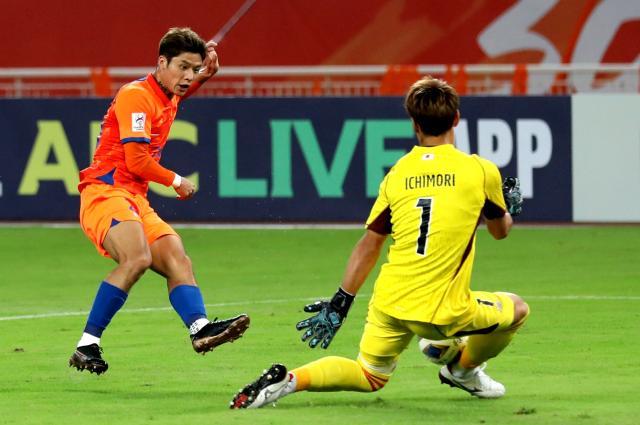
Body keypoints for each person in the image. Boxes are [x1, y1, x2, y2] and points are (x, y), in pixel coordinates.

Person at [230, 76, 528, 408]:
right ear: (456, 119)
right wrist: (509, 207)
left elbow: (370, 243)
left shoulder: (397, 174)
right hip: (443, 312)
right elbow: (500, 231)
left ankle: (288, 380)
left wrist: (340, 303)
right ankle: (462, 370)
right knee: (517, 309)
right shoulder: (480, 170)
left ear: (414, 124)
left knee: (369, 374)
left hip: (390, 301)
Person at [69, 27, 249, 375]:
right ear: (161, 62)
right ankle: (87, 344)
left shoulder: (167, 94)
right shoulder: (136, 96)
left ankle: (200, 328)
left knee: (175, 254)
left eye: (193, 69)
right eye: (182, 67)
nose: (187, 77)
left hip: (134, 198)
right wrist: (176, 181)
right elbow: (136, 160)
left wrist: (205, 75)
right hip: (105, 191)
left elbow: (180, 92)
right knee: (137, 258)